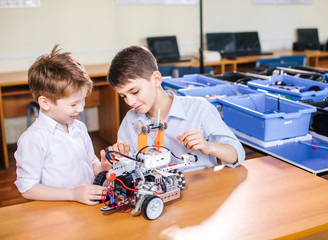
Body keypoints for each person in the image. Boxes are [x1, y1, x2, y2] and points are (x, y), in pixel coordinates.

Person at [103, 46, 245, 171]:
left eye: (135, 92)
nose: (130, 102)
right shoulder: (130, 120)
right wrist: (121, 158)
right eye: (123, 96)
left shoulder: (199, 109)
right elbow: (129, 167)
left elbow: (237, 154)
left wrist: (209, 147)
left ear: (156, 79)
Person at [14, 45, 111, 205]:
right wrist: (73, 194)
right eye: (73, 104)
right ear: (45, 102)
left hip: (85, 209)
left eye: (82, 100)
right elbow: (28, 188)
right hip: (58, 214)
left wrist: (102, 167)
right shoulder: (34, 139)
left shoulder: (79, 128)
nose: (80, 108)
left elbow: (90, 162)